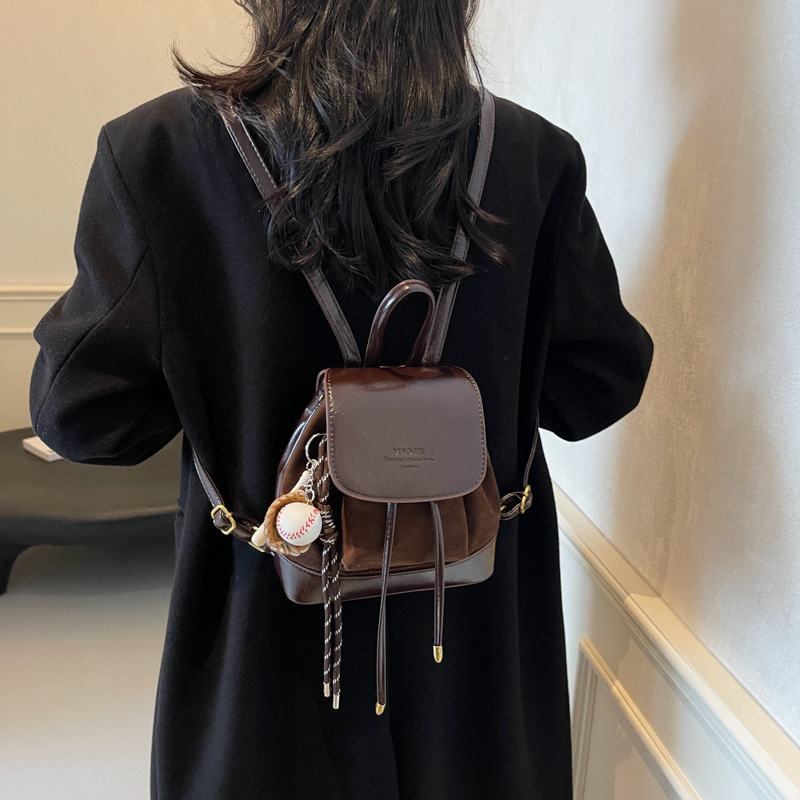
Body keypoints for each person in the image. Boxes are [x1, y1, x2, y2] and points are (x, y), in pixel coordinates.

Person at [29, 0, 653, 797]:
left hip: (267, 655)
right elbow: (595, 386)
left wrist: (220, 382)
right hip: (473, 654)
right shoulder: (534, 157)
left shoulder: (157, 153)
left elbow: (81, 416)